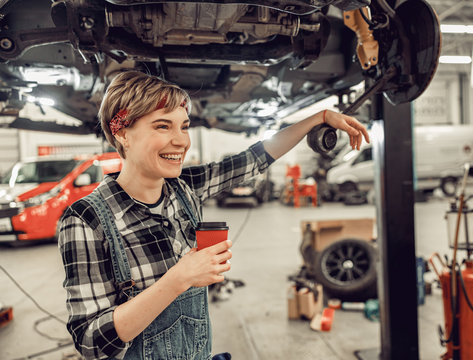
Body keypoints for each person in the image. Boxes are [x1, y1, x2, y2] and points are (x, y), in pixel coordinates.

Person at [58, 70, 369, 360]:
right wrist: (179, 278)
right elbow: (91, 342)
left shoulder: (185, 188)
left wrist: (319, 117)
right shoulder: (87, 219)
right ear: (122, 132)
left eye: (183, 126)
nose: (181, 141)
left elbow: (255, 158)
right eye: (162, 126)